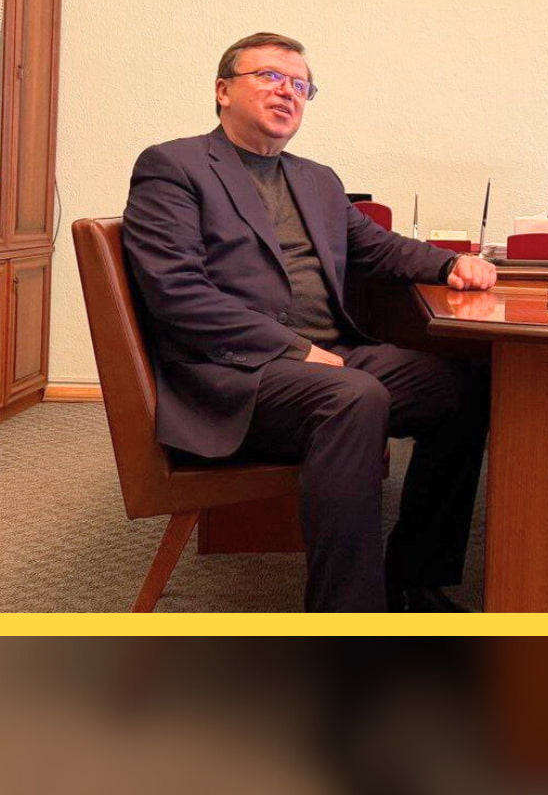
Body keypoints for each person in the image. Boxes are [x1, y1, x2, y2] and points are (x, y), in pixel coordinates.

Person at [123, 31, 497, 613]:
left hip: (328, 356)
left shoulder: (316, 178)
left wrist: (451, 264)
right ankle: (347, 622)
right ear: (223, 90)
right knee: (353, 397)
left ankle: (416, 575)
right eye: (270, 76)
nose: (287, 92)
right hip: (235, 374)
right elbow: (177, 293)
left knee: (464, 386)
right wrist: (292, 349)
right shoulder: (174, 166)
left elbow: (378, 248)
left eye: (301, 85)